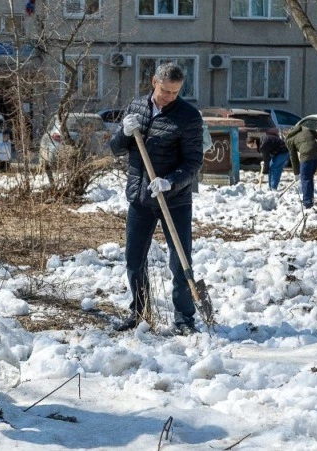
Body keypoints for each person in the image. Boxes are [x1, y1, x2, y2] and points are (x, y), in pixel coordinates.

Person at [109, 63, 204, 335]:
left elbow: (193, 162)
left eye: (175, 92)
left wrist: (170, 181)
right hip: (140, 198)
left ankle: (185, 319)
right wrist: (124, 133)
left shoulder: (188, 116)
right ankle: (139, 311)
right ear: (154, 82)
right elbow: (115, 149)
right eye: (165, 91)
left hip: (174, 200)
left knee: (180, 260)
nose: (169, 97)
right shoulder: (137, 107)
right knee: (134, 259)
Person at [285, 124, 317, 209]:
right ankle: (310, 199)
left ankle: (307, 203)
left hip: (306, 155)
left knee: (305, 178)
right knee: (309, 177)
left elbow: (293, 157)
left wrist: (296, 173)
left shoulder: (290, 139)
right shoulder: (306, 129)